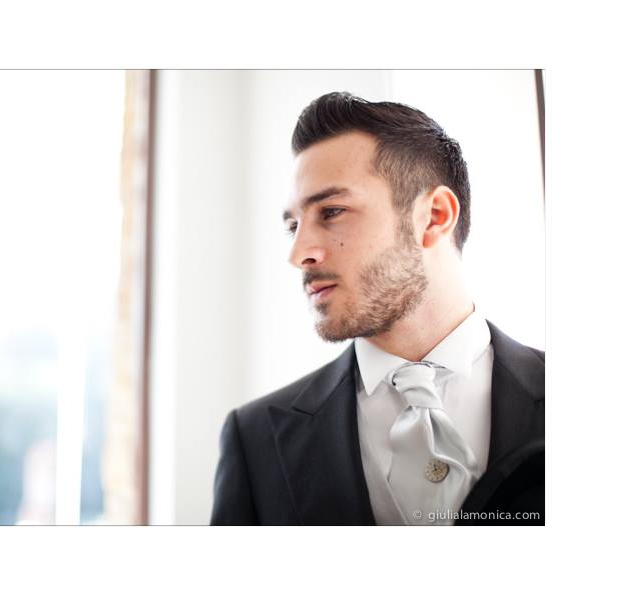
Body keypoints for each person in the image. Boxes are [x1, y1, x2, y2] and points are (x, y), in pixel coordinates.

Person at [210, 92, 544, 525]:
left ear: (434, 216)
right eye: (293, 226)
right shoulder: (254, 440)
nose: (298, 253)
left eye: (332, 211)